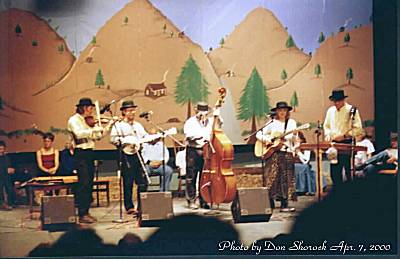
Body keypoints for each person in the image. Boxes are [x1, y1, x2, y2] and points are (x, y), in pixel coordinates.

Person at [110, 100, 156, 215]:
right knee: (128, 181)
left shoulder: (138, 125)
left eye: (133, 110)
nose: (132, 113)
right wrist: (125, 141)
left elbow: (144, 136)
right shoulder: (119, 125)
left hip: (137, 153)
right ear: (124, 112)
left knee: (142, 180)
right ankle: (129, 206)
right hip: (125, 155)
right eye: (130, 110)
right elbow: (113, 139)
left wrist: (153, 138)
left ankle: (142, 205)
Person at [67, 97, 104, 224]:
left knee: (89, 182)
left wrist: (101, 131)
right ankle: (82, 213)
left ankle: (86, 211)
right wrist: (93, 129)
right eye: (90, 108)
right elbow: (79, 134)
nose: (91, 110)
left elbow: (95, 137)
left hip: (89, 152)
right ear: (83, 108)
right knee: (84, 182)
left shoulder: (87, 121)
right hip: (80, 153)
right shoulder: (74, 120)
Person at [256, 101, 297, 212]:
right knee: (271, 176)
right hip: (273, 153)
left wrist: (291, 136)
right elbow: (258, 134)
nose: (282, 112)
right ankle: (270, 201)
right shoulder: (272, 123)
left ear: (287, 111)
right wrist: (269, 140)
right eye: (280, 110)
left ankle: (285, 202)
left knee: (286, 178)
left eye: (284, 110)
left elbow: (294, 137)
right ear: (277, 111)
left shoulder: (291, 123)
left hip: (286, 152)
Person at [183, 102, 221, 209]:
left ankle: (203, 199)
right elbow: (188, 135)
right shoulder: (190, 122)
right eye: (201, 112)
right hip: (193, 150)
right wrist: (201, 136)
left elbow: (219, 124)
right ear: (196, 112)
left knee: (204, 176)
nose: (203, 114)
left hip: (206, 151)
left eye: (205, 112)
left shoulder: (210, 121)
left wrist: (217, 113)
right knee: (191, 176)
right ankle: (191, 200)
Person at [323, 89, 362, 185]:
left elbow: (358, 128)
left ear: (343, 100)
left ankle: (348, 192)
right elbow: (326, 126)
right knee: (335, 172)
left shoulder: (351, 110)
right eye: (334, 101)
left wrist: (344, 135)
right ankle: (337, 191)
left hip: (346, 142)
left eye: (338, 101)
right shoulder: (330, 111)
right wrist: (328, 135)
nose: (336, 103)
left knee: (347, 170)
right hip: (334, 144)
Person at [0, 140, 16, 210]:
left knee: (8, 181)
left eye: (3, 149)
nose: (1, 151)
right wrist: (6, 170)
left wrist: (12, 169)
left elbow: (10, 166)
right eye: (0, 149)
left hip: (6, 176)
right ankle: (2, 202)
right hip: (2, 175)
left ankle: (10, 201)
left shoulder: (6, 157)